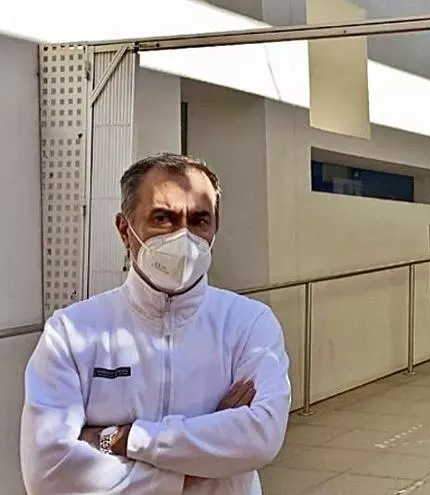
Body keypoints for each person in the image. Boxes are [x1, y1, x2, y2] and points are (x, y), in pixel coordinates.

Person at [20, 153, 291, 494]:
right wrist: (195, 468)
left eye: (199, 220)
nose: (184, 236)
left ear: (215, 229)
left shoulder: (249, 324)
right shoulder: (72, 333)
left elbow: (261, 436)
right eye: (163, 218)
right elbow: (49, 473)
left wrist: (123, 438)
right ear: (125, 229)